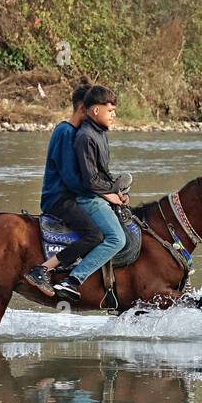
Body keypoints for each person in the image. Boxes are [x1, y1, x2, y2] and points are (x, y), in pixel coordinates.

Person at [50, 85, 131, 302]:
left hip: (86, 193)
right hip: (65, 197)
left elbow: (98, 173)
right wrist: (108, 194)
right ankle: (73, 279)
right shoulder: (75, 134)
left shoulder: (97, 134)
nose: (114, 116)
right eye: (110, 111)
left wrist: (116, 190)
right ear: (87, 110)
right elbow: (80, 179)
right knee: (110, 238)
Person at [23, 83, 100, 297]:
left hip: (67, 197)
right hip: (59, 199)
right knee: (94, 235)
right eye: (95, 110)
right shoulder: (67, 132)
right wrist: (99, 193)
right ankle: (43, 269)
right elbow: (70, 178)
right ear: (83, 109)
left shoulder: (69, 130)